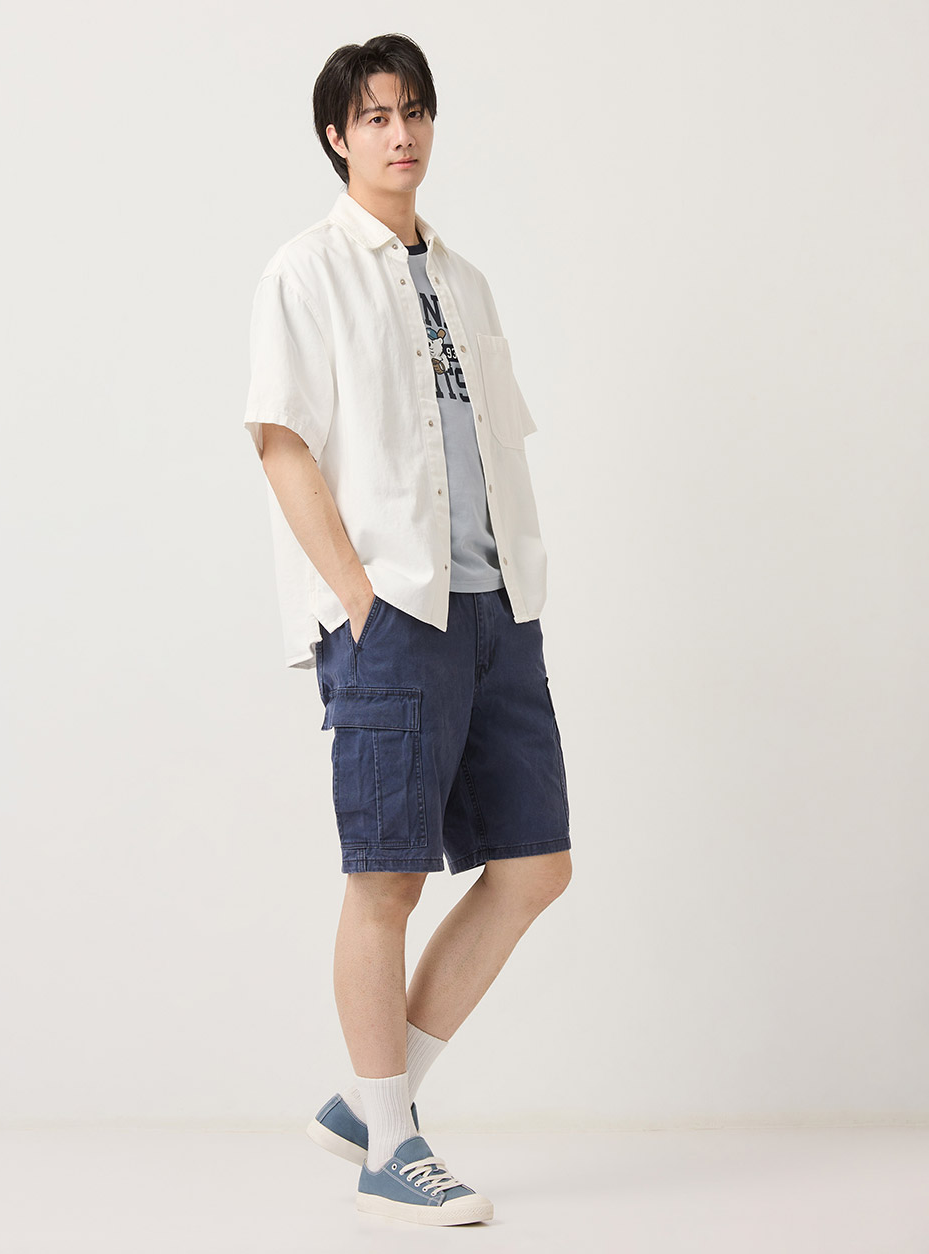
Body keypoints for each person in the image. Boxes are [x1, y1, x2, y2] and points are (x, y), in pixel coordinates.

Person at [243, 32, 573, 1227]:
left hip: (495, 608)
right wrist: (356, 594)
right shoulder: (306, 271)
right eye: (376, 116)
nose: (401, 133)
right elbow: (282, 440)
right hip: (393, 611)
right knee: (385, 876)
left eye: (415, 111)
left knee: (534, 865)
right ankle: (392, 1144)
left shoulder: (465, 282)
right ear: (338, 136)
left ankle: (368, 1100)